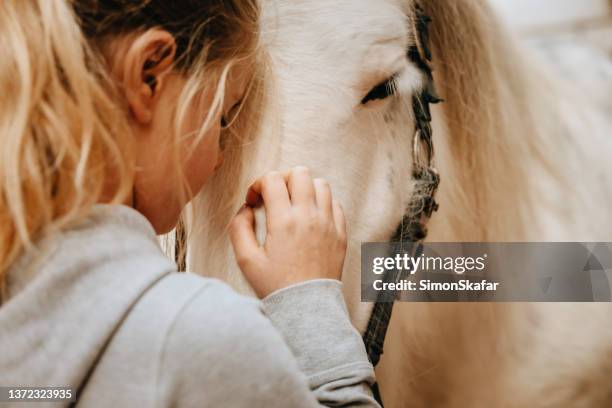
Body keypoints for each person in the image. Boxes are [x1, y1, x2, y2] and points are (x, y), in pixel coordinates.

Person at [0, 1, 380, 407]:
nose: (220, 158)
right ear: (149, 74)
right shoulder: (202, 337)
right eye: (223, 118)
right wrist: (309, 303)